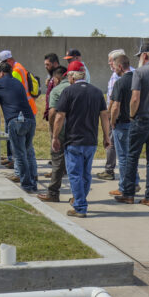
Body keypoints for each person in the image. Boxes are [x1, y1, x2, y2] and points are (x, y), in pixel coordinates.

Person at [52, 61, 111, 217]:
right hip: (91, 140)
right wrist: (106, 136)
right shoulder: (97, 92)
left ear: (72, 76)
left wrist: (55, 136)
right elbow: (104, 116)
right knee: (86, 174)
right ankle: (80, 200)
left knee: (75, 174)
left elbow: (59, 116)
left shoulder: (68, 92)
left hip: (73, 140)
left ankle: (80, 206)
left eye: (68, 76)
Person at [115, 43, 149, 207]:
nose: (138, 59)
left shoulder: (139, 73)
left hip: (142, 119)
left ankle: (129, 194)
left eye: (139, 56)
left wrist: (132, 115)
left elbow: (135, 98)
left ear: (145, 56)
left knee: (132, 157)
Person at [0, 61, 38, 193]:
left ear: (1, 73)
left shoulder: (0, 83)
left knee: (20, 155)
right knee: (28, 153)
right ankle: (33, 184)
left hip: (16, 121)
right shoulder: (18, 83)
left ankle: (27, 186)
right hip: (30, 119)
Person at [107, 53, 138, 198]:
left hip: (122, 125)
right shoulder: (138, 80)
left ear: (120, 66)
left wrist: (112, 121)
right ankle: (135, 182)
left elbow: (115, 107)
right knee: (132, 156)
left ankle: (124, 187)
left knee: (123, 158)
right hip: (136, 123)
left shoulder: (120, 82)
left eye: (114, 66)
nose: (114, 69)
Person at [37, 65, 70, 202]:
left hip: (61, 130)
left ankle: (53, 193)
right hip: (79, 132)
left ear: (56, 78)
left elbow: (53, 112)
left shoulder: (56, 90)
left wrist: (52, 129)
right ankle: (78, 196)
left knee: (57, 160)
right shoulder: (78, 88)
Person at [95, 49, 125, 181]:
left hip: (116, 115)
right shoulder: (118, 74)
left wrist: (109, 116)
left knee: (111, 143)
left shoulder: (119, 76)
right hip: (117, 114)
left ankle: (109, 171)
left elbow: (114, 100)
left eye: (111, 61)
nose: (109, 64)